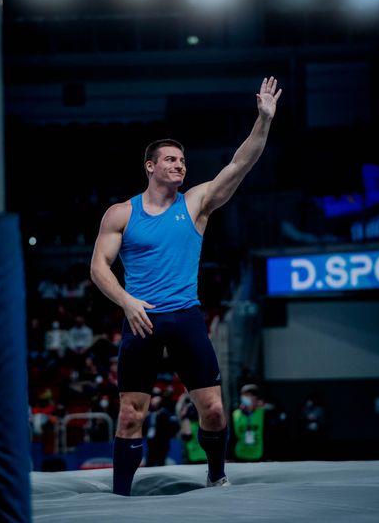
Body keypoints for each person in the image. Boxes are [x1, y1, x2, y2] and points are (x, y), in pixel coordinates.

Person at [90, 76, 282, 495]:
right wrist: (126, 301)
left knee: (213, 409)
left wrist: (263, 121)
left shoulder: (195, 204)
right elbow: (99, 269)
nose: (181, 165)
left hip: (185, 317)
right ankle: (120, 495)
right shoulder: (121, 214)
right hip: (141, 319)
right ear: (151, 166)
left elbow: (239, 164)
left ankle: (217, 474)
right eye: (172, 160)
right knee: (129, 415)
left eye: (183, 160)